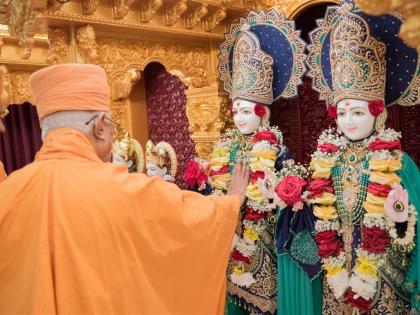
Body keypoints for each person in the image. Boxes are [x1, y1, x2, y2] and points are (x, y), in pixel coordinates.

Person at [0, 63, 250, 314]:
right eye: (113, 128)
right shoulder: (126, 189)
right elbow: (191, 223)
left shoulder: (8, 193)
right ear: (99, 126)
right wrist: (231, 202)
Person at [184, 9, 321, 315]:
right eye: (235, 111)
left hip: (262, 243)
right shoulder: (225, 148)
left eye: (247, 111)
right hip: (229, 242)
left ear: (262, 112)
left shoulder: (275, 150)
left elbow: (284, 201)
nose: (239, 117)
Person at [306, 1, 420, 313]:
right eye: (342, 113)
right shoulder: (327, 160)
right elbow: (318, 214)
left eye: (357, 112)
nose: (348, 121)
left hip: (382, 272)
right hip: (338, 270)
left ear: (378, 113)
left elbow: (416, 227)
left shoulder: (398, 163)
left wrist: (399, 223)